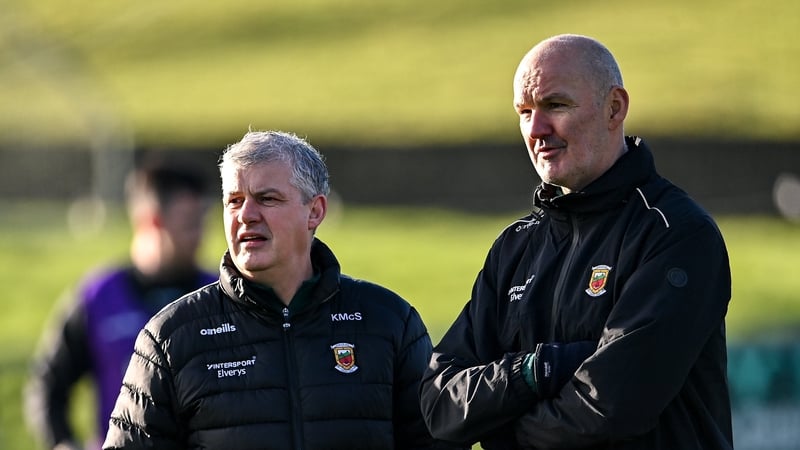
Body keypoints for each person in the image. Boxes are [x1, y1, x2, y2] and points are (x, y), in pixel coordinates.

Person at [419, 34, 733, 449]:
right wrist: (536, 370)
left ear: (614, 108)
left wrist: (501, 430)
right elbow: (440, 403)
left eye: (555, 105)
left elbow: (609, 409)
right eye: (524, 111)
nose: (536, 129)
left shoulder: (675, 233)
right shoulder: (515, 247)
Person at [102, 130, 461, 450]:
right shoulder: (170, 337)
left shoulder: (389, 323)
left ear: (315, 211)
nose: (246, 215)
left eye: (267, 199)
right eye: (234, 200)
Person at [25, 161, 216, 450]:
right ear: (152, 221)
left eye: (202, 222)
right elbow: (48, 385)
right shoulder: (98, 297)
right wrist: (63, 442)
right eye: (190, 223)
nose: (200, 234)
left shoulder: (218, 296)